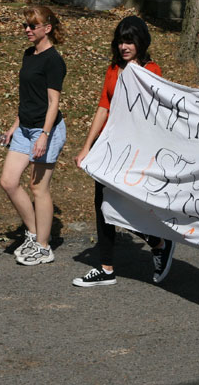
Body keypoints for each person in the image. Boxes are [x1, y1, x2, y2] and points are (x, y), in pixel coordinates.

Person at [71, 16, 175, 287]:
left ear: (141, 42)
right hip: (107, 148)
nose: (124, 46)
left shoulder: (152, 70)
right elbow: (103, 108)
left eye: (129, 41)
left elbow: (154, 115)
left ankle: (158, 241)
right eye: (120, 41)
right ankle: (106, 268)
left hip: (134, 151)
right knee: (102, 205)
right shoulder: (113, 69)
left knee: (127, 204)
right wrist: (85, 147)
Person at [0, 6, 67, 266]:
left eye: (32, 26)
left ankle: (43, 246)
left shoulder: (53, 61)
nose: (27, 30)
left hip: (45, 130)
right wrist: (14, 126)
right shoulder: (29, 55)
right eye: (25, 26)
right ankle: (33, 232)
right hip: (25, 128)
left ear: (46, 28)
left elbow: (52, 102)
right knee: (8, 181)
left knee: (38, 187)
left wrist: (44, 136)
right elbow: (28, 97)